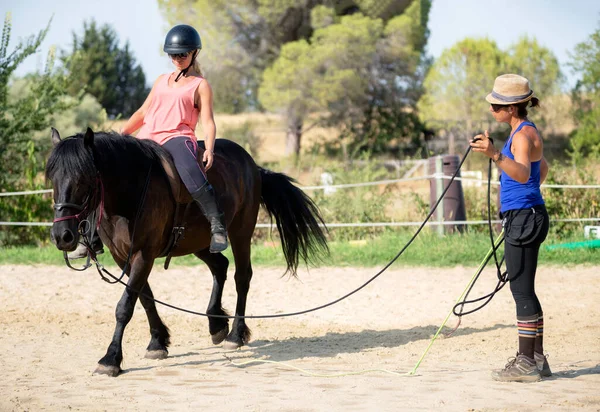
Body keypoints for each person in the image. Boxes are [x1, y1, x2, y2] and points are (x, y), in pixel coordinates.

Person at [69, 24, 227, 258]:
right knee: (106, 177)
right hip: (147, 138)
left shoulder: (200, 85)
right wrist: (121, 136)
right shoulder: (161, 80)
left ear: (194, 53)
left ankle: (217, 227)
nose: (177, 59)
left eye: (182, 54)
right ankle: (92, 237)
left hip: (177, 138)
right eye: (173, 54)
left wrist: (210, 149)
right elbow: (143, 113)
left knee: (193, 175)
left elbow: (209, 121)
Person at [470, 74, 551, 383]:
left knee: (521, 291)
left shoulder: (519, 137)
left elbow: (521, 173)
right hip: (529, 214)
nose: (492, 110)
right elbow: (540, 170)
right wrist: (526, 196)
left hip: (524, 219)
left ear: (511, 108)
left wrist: (494, 155)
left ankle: (527, 362)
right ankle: (537, 359)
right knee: (526, 289)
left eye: (495, 105)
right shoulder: (526, 132)